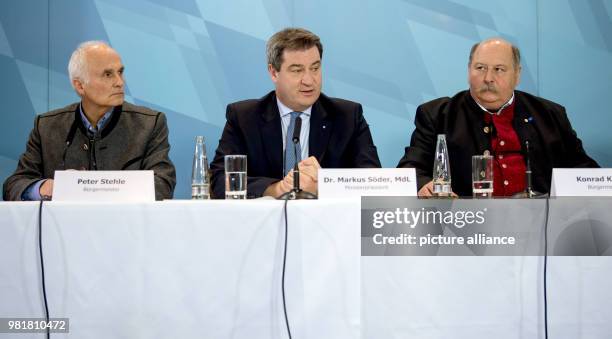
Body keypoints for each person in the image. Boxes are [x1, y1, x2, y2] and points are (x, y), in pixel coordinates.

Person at [397, 38, 599, 197]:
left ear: (517, 75)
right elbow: (411, 169)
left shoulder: (549, 114)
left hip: (542, 226)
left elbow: (583, 171)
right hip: (466, 227)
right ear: (469, 71)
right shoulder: (438, 115)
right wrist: (424, 185)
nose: (488, 78)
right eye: (480, 68)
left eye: (499, 69)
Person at [210, 28, 381, 198]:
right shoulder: (244, 118)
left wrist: (325, 185)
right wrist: (276, 189)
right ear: (273, 72)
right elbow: (220, 180)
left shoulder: (348, 117)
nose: (309, 80)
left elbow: (373, 182)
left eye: (315, 68)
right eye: (297, 70)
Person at [3, 41, 176, 201]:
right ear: (80, 86)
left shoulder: (149, 124)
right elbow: (14, 186)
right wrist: (46, 187)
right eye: (108, 74)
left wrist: (96, 190)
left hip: (125, 229)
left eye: (120, 72)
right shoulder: (47, 127)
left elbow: (162, 185)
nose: (120, 82)